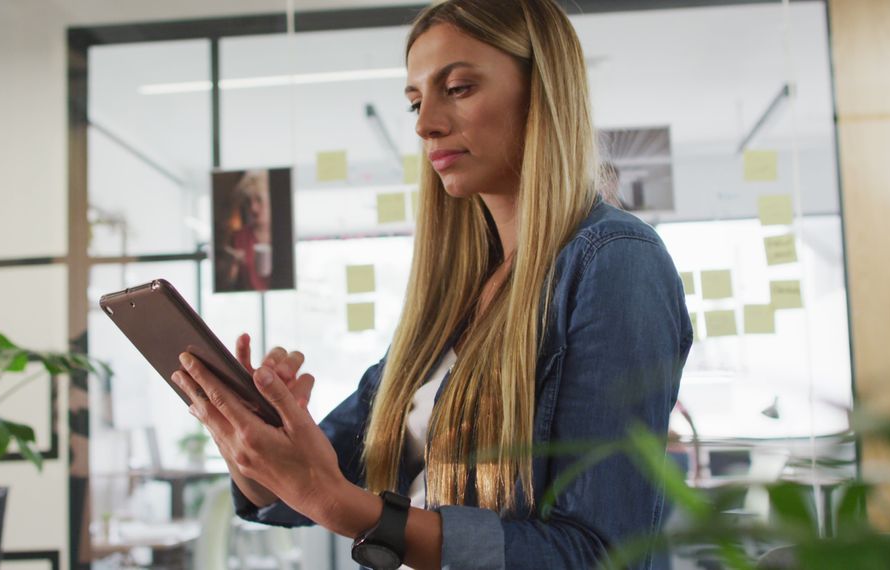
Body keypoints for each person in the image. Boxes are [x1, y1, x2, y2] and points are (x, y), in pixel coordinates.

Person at [173, 0, 692, 568]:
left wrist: (351, 510)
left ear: (542, 90)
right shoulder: (455, 296)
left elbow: (602, 554)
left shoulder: (615, 262)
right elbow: (311, 484)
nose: (425, 125)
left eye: (460, 88)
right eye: (417, 101)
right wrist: (252, 447)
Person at [222, 169, 273, 291]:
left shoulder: (283, 236)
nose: (253, 208)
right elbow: (229, 284)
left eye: (259, 200)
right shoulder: (237, 238)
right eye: (248, 202)